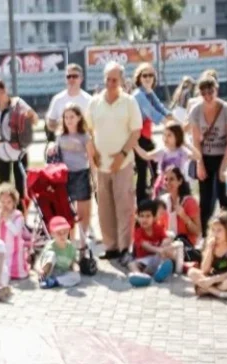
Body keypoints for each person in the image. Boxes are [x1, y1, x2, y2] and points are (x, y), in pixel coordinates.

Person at [86, 61, 142, 261]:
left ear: (122, 80)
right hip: (101, 166)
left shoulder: (129, 102)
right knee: (105, 207)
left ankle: (125, 247)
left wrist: (122, 154)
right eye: (108, 79)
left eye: (114, 79)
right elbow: (89, 130)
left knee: (124, 206)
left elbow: (136, 131)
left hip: (123, 163)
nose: (110, 83)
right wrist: (93, 153)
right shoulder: (95, 102)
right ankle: (111, 246)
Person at [0, 77, 37, 208]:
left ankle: (22, 218)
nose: (0, 92)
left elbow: (34, 118)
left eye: (1, 88)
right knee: (4, 188)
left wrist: (27, 117)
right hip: (2, 153)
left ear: (6, 89)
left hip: (20, 151)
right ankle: (6, 215)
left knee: (21, 187)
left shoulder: (18, 103)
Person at [190, 74, 227, 237]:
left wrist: (224, 166)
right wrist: (199, 164)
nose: (208, 96)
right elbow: (195, 140)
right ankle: (206, 236)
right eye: (204, 93)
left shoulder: (226, 109)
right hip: (205, 156)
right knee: (205, 199)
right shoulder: (196, 110)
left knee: (225, 197)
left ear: (217, 90)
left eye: (211, 92)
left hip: (222, 155)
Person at [52, 103, 95, 246]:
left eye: (72, 117)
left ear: (78, 118)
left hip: (81, 173)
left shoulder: (84, 136)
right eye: (66, 117)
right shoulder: (59, 136)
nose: (69, 120)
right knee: (67, 211)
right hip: (65, 175)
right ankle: (70, 241)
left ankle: (83, 242)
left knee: (83, 210)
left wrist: (94, 179)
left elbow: (91, 158)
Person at [188, 211, 227, 301]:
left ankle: (206, 290)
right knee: (192, 272)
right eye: (213, 230)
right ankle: (220, 293)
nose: (215, 234)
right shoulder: (212, 244)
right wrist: (210, 249)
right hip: (215, 276)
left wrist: (212, 280)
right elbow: (204, 270)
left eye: (219, 230)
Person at [131, 63, 173, 202]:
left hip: (145, 135)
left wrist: (174, 120)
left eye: (150, 75)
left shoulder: (148, 92)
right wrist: (170, 125)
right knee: (144, 169)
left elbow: (161, 108)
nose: (148, 78)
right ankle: (142, 202)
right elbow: (152, 112)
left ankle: (154, 196)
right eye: (144, 75)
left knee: (155, 164)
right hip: (137, 135)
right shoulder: (138, 94)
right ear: (139, 78)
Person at [134, 121, 199, 198]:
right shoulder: (162, 151)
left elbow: (197, 156)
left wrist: (187, 144)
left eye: (169, 135)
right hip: (163, 186)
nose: (165, 138)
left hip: (178, 186)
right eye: (164, 135)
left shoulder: (182, 152)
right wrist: (135, 145)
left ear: (177, 137)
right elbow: (146, 156)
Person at [127, 199, 177, 287]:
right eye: (141, 216)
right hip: (143, 261)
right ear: (137, 217)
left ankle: (159, 273)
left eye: (148, 216)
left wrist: (165, 244)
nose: (144, 219)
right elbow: (145, 245)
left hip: (157, 258)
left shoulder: (158, 228)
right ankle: (140, 276)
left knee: (169, 248)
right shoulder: (138, 232)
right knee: (131, 264)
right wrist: (159, 250)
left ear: (154, 217)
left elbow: (165, 238)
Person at [45, 63, 92, 137]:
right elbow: (50, 123)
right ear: (65, 79)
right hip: (63, 143)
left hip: (83, 143)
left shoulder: (89, 100)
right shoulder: (57, 99)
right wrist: (64, 125)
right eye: (68, 76)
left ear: (81, 79)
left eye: (75, 76)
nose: (71, 79)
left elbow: (93, 126)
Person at [37, 216, 81, 289]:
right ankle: (44, 278)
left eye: (65, 232)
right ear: (52, 234)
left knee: (77, 277)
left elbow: (73, 262)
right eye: (58, 233)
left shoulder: (71, 247)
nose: (62, 235)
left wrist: (75, 267)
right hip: (50, 272)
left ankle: (54, 282)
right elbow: (40, 260)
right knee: (51, 254)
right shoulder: (50, 246)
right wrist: (40, 270)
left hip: (62, 273)